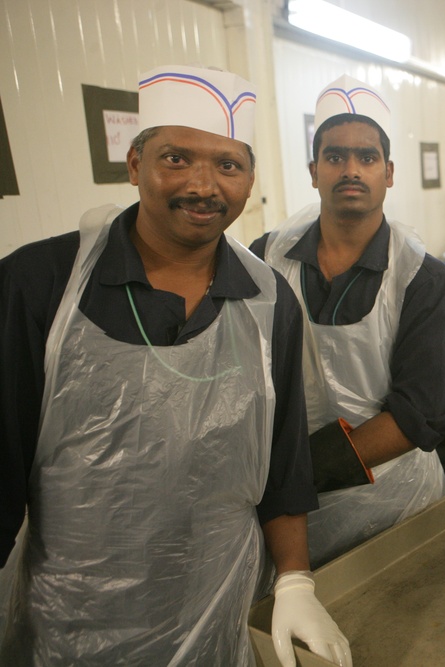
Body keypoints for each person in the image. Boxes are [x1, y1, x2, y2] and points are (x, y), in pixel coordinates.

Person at [0, 65, 350, 666]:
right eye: (177, 159)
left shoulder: (268, 301)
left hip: (221, 611)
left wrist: (295, 581)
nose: (203, 185)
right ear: (135, 165)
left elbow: (283, 462)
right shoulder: (41, 285)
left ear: (249, 179)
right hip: (74, 627)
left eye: (228, 165)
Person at [250, 75, 445, 567]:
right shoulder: (266, 259)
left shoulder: (421, 277)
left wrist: (297, 471)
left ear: (388, 173)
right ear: (313, 170)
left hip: (397, 509)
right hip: (287, 521)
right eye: (335, 156)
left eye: (367, 158)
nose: (351, 169)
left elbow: (424, 414)